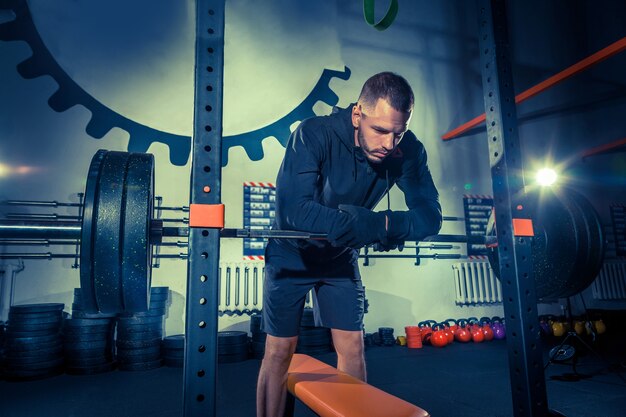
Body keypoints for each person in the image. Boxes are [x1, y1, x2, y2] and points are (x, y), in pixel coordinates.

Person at [256, 72, 442, 417]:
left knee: (353, 347)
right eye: (380, 131)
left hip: (340, 256)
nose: (389, 143)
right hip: (290, 254)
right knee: (280, 349)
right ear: (358, 114)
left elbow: (430, 217)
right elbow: (294, 209)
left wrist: (382, 224)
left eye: (397, 133)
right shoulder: (313, 133)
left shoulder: (408, 150)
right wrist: (363, 227)